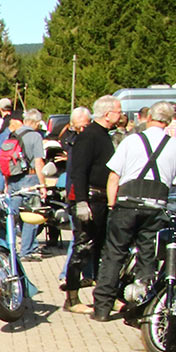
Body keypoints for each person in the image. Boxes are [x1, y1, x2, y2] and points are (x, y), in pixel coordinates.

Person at [91, 101, 176, 323]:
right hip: (156, 206)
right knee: (148, 258)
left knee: (113, 254)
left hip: (126, 203)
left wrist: (111, 205)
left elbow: (113, 176)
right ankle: (141, 306)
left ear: (148, 118)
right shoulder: (174, 146)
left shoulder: (131, 141)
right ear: (168, 121)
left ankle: (102, 308)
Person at [60, 97, 122, 313]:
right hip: (91, 199)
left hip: (103, 199)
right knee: (82, 247)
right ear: (107, 114)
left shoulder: (103, 135)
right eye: (118, 111)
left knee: (103, 249)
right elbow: (78, 171)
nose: (120, 115)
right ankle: (72, 298)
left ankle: (104, 295)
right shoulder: (88, 136)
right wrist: (81, 202)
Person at [1, 109, 48, 258]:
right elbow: (39, 162)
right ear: (35, 122)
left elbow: (6, 161)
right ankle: (26, 250)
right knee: (31, 215)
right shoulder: (35, 136)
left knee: (12, 214)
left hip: (13, 178)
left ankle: (8, 246)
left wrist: (6, 183)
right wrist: (43, 185)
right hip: (30, 178)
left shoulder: (12, 134)